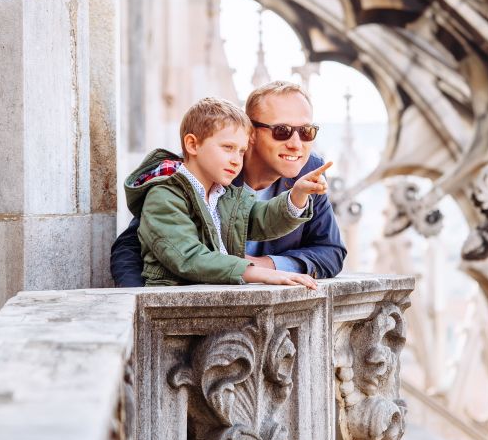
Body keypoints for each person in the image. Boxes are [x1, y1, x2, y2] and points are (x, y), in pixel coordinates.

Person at [111, 81, 347, 287]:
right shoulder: (203, 169)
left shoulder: (309, 170)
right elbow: (133, 246)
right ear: (251, 133)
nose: (297, 145)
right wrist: (136, 304)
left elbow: (331, 251)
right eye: (282, 131)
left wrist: (269, 266)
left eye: (306, 132)